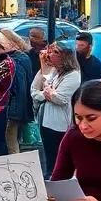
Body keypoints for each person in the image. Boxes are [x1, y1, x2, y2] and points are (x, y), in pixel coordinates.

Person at [31, 42, 82, 177]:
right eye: (51, 51)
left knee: (56, 160)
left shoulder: (73, 75)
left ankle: (56, 183)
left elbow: (60, 99)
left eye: (55, 52)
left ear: (66, 56)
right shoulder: (52, 71)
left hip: (58, 124)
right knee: (48, 158)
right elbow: (34, 90)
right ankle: (50, 180)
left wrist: (47, 92)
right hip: (44, 121)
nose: (50, 55)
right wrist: (44, 72)